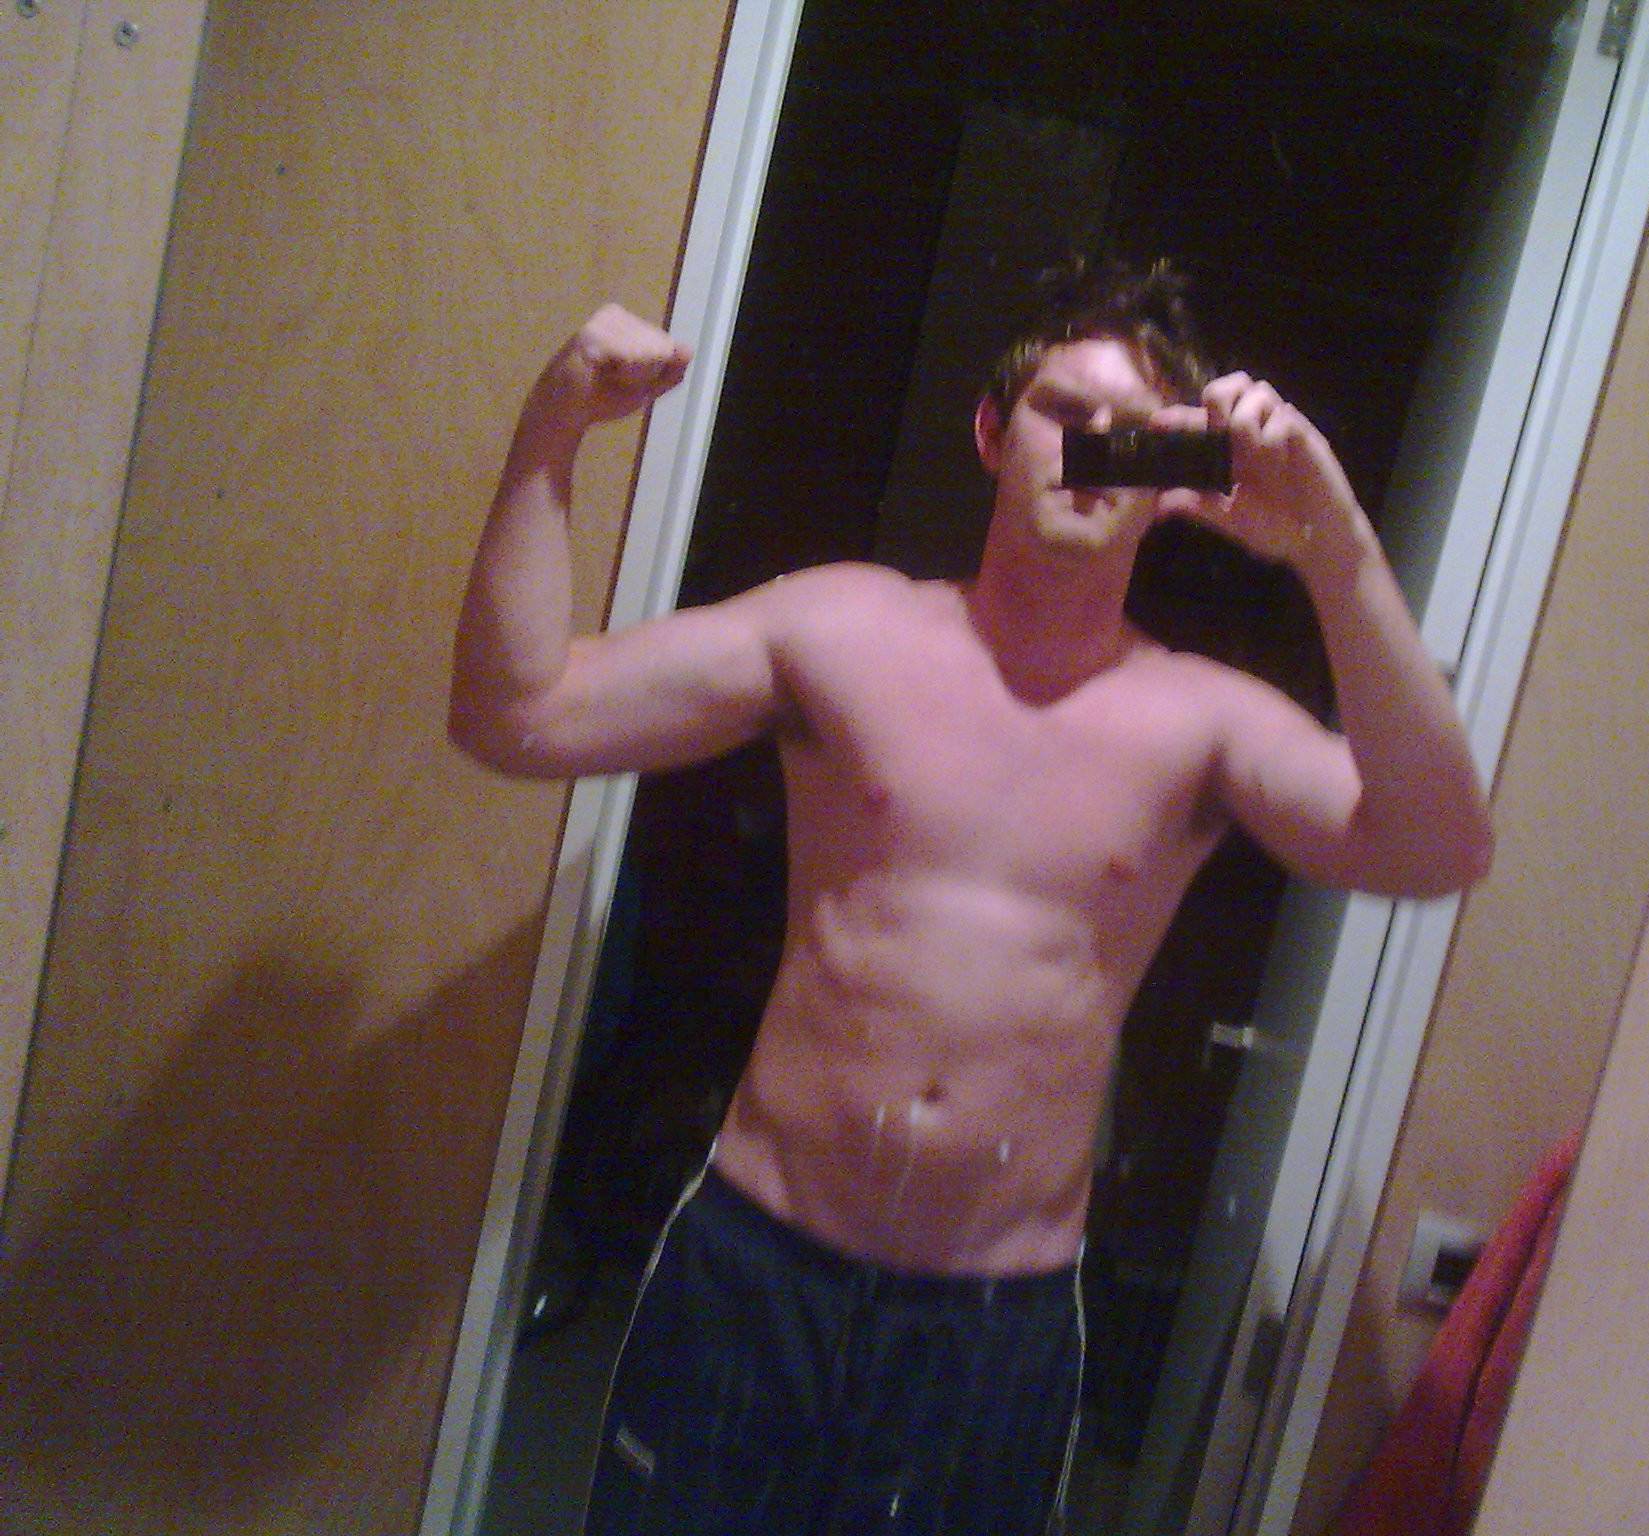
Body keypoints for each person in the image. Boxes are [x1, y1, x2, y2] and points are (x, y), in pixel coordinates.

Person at [449, 258, 1493, 1535]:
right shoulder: (838, 631)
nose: (1086, 454)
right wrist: (555, 414)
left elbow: (1438, 848)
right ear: (994, 434)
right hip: (753, 1265)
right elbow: (515, 713)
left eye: (1129, 437)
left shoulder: (1202, 722)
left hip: (991, 1330)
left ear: (1170, 481)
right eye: (1062, 415)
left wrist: (1333, 550)